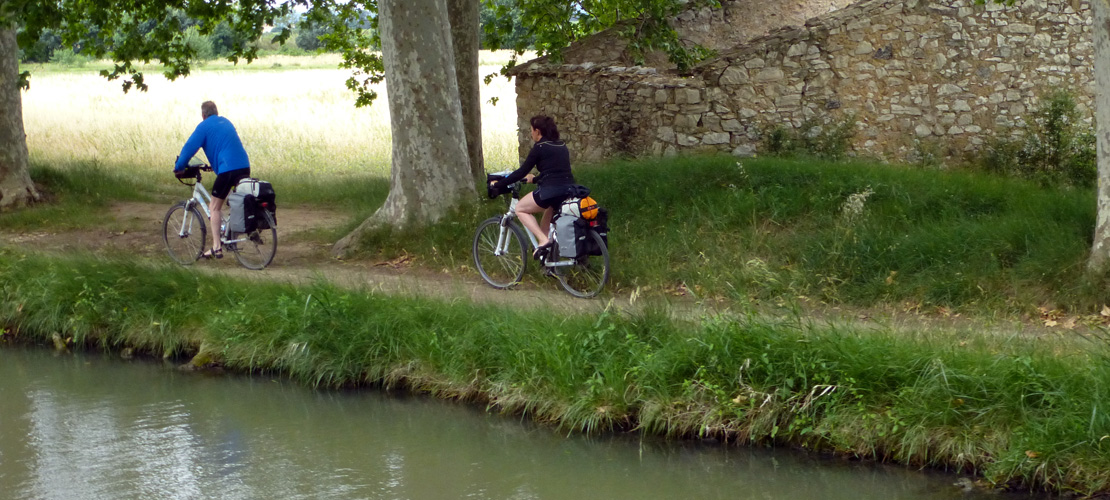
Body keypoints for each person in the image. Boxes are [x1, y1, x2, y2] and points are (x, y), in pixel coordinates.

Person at [173, 101, 251, 259]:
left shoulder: (203, 126)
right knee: (235, 201)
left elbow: (189, 148)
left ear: (203, 115)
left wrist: (179, 166)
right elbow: (225, 145)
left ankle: (217, 247)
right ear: (216, 112)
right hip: (244, 166)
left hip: (228, 169)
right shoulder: (226, 121)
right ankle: (234, 236)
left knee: (214, 207)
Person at [490, 115, 576, 259]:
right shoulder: (561, 145)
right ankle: (547, 257)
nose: (530, 134)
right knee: (548, 214)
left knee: (520, 209)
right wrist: (535, 179)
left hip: (550, 191)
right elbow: (556, 170)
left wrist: (498, 184)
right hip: (569, 189)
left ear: (537, 131)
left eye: (531, 130)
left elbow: (521, 172)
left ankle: (543, 241)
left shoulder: (540, 147)